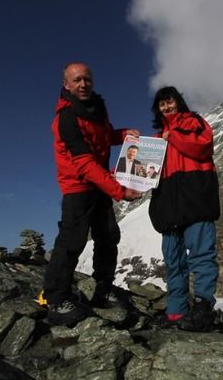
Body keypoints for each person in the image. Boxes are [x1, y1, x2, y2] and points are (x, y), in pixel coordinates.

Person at [44, 62, 142, 326]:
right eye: (76, 80)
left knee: (108, 235)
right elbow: (84, 163)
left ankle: (102, 289)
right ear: (66, 85)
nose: (83, 84)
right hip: (78, 186)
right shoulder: (66, 118)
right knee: (71, 241)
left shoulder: (96, 108)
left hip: (98, 182)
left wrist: (122, 135)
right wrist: (119, 191)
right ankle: (56, 300)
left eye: (86, 79)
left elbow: (101, 137)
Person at [148, 86, 220, 332]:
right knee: (174, 261)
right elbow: (144, 174)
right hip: (168, 205)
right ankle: (176, 312)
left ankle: (203, 308)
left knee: (201, 255)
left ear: (178, 103)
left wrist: (174, 136)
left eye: (170, 102)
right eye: (162, 105)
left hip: (196, 199)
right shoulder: (156, 141)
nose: (167, 108)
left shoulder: (194, 122)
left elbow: (202, 145)